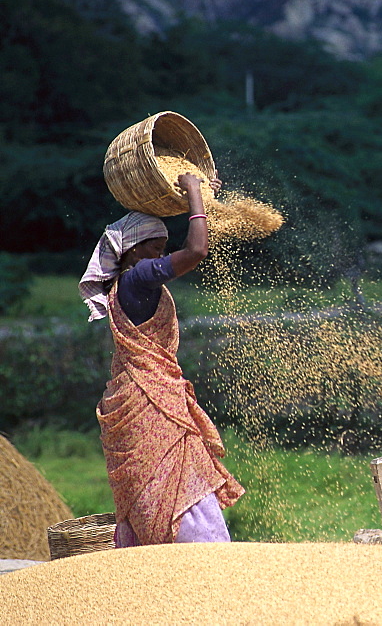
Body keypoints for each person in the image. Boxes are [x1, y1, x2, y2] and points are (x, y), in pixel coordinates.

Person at [79, 172, 244, 546]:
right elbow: (197, 251)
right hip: (152, 402)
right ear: (135, 250)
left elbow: (193, 246)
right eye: (157, 247)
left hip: (137, 397)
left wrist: (201, 199)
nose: (162, 256)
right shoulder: (138, 276)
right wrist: (192, 193)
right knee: (177, 480)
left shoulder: (126, 285)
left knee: (155, 488)